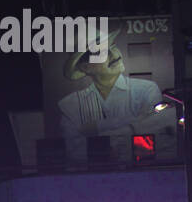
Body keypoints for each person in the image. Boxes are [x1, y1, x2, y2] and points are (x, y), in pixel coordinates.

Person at [57, 28, 174, 164]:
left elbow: (159, 137)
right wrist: (137, 123)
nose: (115, 54)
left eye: (113, 47)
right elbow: (75, 153)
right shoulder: (71, 105)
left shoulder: (146, 90)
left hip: (141, 171)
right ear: (85, 67)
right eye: (103, 52)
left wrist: (98, 128)